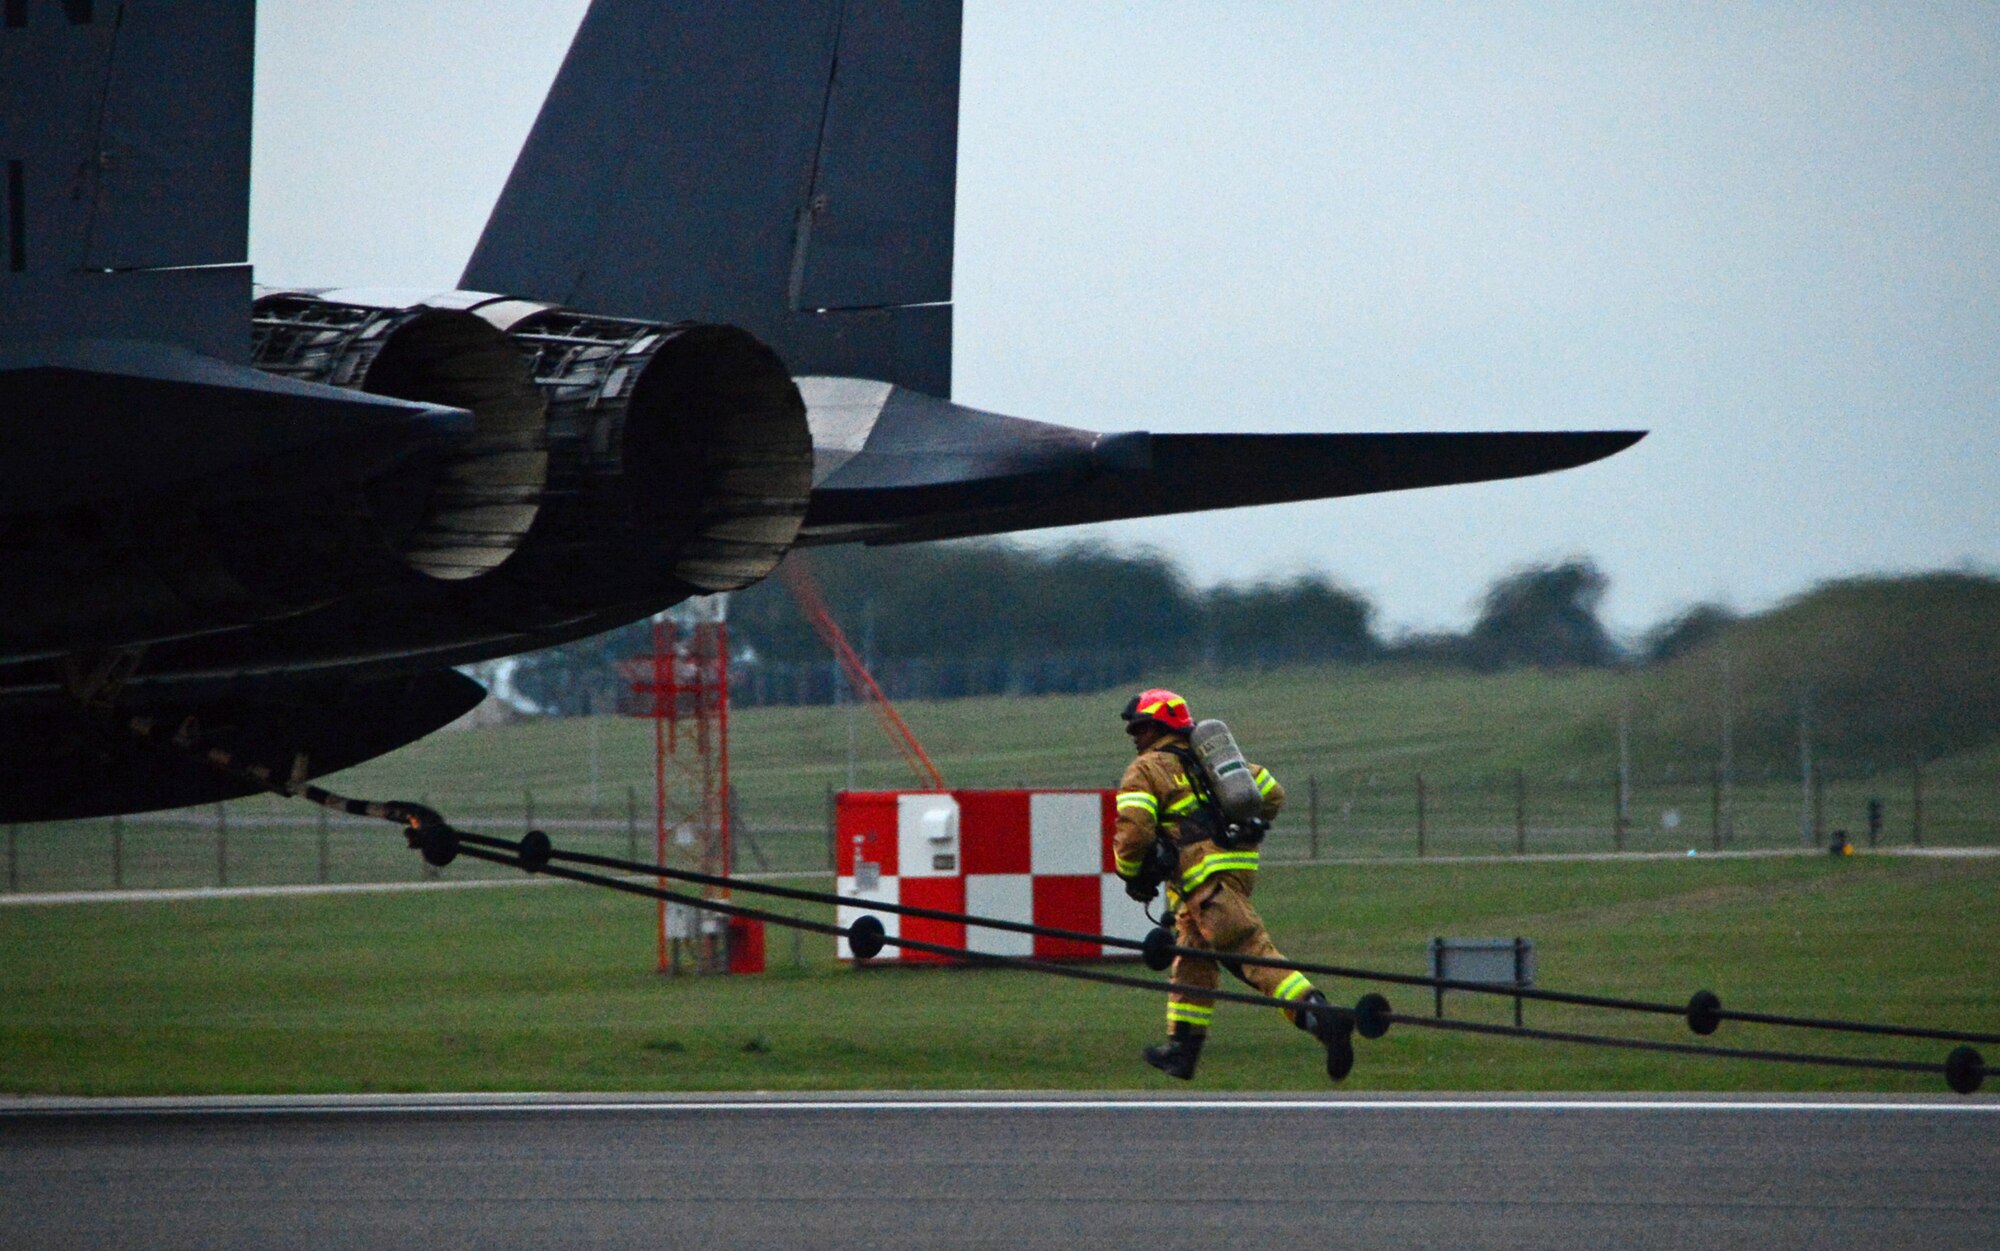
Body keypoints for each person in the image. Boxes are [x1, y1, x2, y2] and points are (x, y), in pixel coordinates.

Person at [1112, 688, 1352, 1081]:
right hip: (1228, 877)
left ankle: (1323, 1019)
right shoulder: (1215, 764)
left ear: (1159, 727)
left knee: (1251, 955)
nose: (1134, 737)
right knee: (1193, 959)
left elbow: (1134, 833)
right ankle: (1182, 1050)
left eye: (1140, 728)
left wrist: (1129, 872)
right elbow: (1272, 793)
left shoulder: (1147, 769)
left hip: (1205, 881)